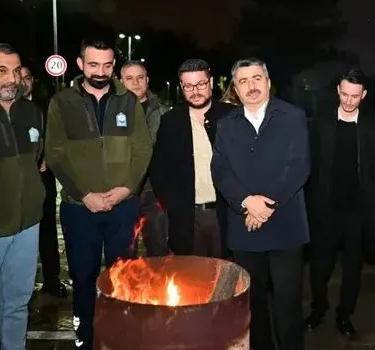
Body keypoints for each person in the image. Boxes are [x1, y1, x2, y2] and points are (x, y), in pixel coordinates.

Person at [45, 39, 152, 349]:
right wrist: (84, 195)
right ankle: (85, 339)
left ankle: (121, 338)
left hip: (123, 208)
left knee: (124, 278)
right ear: (80, 64)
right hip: (80, 209)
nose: (100, 72)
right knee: (83, 278)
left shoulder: (128, 101)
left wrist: (126, 189)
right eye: (93, 65)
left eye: (107, 65)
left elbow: (143, 149)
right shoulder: (62, 102)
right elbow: (55, 154)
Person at [211, 57, 310, 350]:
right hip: (244, 227)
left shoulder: (292, 116)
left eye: (256, 78)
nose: (251, 86)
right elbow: (220, 170)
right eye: (243, 81)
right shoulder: (226, 124)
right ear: (235, 88)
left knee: (287, 302)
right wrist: (246, 202)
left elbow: (298, 166)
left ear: (267, 81)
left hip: (285, 226)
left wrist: (264, 206)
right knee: (252, 304)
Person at [0, 44, 46, 350]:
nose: (12, 79)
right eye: (1, 71)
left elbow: (36, 159)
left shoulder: (31, 112)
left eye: (15, 71)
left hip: (28, 226)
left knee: (17, 304)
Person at [305, 69, 375, 340]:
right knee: (320, 266)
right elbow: (310, 164)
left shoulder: (373, 125)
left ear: (364, 95)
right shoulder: (321, 122)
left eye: (355, 96)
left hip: (358, 213)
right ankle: (318, 308)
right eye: (345, 94)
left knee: (352, 269)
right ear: (338, 91)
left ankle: (345, 314)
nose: (349, 101)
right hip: (325, 209)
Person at [151, 59, 232, 257]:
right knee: (192, 273)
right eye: (188, 86)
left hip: (226, 214)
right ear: (181, 87)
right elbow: (158, 168)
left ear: (210, 82)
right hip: (187, 218)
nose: (195, 91)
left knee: (226, 272)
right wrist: (172, 203)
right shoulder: (171, 120)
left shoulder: (230, 116)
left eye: (201, 84)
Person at [20, 65, 69, 298]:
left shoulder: (45, 106)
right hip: (17, 181)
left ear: (33, 81)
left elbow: (57, 137)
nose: (22, 82)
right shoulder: (4, 107)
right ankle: (19, 285)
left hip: (43, 178)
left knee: (47, 230)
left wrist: (48, 156)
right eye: (19, 77)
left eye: (27, 78)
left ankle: (51, 279)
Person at [120, 60, 170, 256]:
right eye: (130, 78)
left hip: (153, 190)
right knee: (124, 250)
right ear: (121, 82)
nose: (136, 83)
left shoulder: (163, 112)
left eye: (140, 77)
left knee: (158, 247)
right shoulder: (112, 110)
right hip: (122, 188)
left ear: (147, 80)